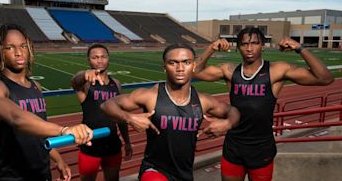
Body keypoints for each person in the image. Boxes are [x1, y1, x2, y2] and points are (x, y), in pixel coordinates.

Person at [193, 28, 334, 181]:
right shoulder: (229, 70)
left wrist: (299, 48)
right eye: (244, 44)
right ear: (238, 47)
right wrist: (210, 48)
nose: (249, 48)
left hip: (262, 148)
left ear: (263, 45)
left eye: (254, 43)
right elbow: (195, 72)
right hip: (234, 147)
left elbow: (325, 78)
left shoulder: (276, 70)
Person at [100, 43, 240, 181]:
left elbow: (233, 112)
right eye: (173, 63)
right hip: (154, 170)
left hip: (185, 173)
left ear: (194, 66)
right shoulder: (150, 96)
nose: (180, 68)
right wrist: (129, 118)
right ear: (164, 67)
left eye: (186, 62)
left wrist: (227, 124)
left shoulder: (203, 101)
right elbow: (107, 105)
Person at [0, 24, 94, 181]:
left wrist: (58, 160)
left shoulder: (36, 86)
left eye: (23, 46)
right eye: (10, 48)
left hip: (41, 174)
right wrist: (64, 130)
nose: (19, 53)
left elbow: (38, 131)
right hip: (9, 177)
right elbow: (17, 118)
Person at [71, 44, 133, 181]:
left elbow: (120, 116)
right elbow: (74, 82)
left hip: (112, 143)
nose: (100, 60)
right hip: (90, 144)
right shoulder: (85, 84)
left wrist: (127, 141)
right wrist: (84, 74)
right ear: (89, 60)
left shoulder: (116, 83)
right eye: (95, 57)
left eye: (103, 56)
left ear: (108, 59)